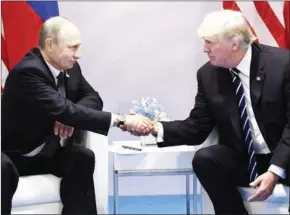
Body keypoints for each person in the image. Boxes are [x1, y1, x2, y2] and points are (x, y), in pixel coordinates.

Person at [126, 10, 290, 214]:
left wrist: (274, 171)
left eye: (210, 42)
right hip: (246, 158)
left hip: (285, 157)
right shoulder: (208, 74)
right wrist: (153, 128)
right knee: (206, 159)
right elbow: (197, 127)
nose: (204, 49)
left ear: (234, 44)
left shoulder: (282, 65)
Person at [1, 16, 154, 215]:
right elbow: (64, 109)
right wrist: (121, 120)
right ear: (50, 45)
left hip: (45, 153)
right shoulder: (28, 71)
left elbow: (93, 98)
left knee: (82, 157)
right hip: (12, 154)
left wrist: (67, 117)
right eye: (72, 48)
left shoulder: (71, 69)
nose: (78, 55)